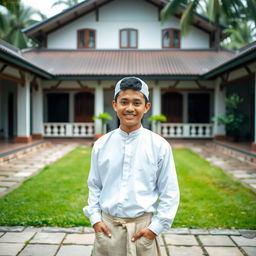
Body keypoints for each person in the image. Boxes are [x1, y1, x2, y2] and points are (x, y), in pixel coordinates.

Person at [83, 77, 180, 256]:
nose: (130, 108)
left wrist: (155, 228)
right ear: (114, 105)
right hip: (107, 229)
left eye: (137, 102)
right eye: (124, 102)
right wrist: (95, 219)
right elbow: (94, 184)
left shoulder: (159, 145)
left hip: (143, 229)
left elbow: (170, 191)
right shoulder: (102, 144)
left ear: (146, 107)